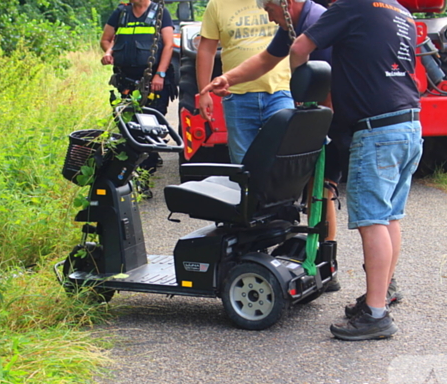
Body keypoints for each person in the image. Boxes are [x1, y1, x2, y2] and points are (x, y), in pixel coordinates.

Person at [286, 0, 422, 340]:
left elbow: (300, 47)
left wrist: (301, 94)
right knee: (389, 217)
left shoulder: (353, 5)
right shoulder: (398, 10)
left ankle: (376, 315)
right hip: (409, 124)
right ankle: (381, 295)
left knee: (372, 220)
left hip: (376, 130)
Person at [199, 0, 342, 290]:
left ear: (285, 5)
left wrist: (328, 122)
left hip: (314, 103)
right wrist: (224, 78)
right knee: (259, 179)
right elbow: (266, 58)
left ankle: (327, 263)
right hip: (250, 97)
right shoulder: (290, 23)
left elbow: (333, 76)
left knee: (318, 183)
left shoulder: (316, 20)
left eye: (270, 9)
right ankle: (266, 254)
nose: (268, 15)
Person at [196, 0, 295, 164]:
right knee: (243, 164)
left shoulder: (279, 2)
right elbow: (206, 49)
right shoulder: (217, 5)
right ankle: (247, 190)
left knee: (284, 159)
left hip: (280, 91)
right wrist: (203, 92)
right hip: (236, 95)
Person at [100, 0, 176, 175]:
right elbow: (106, 39)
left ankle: (146, 169)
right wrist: (108, 53)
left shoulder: (160, 13)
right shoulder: (121, 12)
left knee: (151, 122)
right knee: (130, 123)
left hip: (152, 80)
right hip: (126, 80)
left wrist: (160, 74)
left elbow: (168, 45)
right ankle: (137, 166)